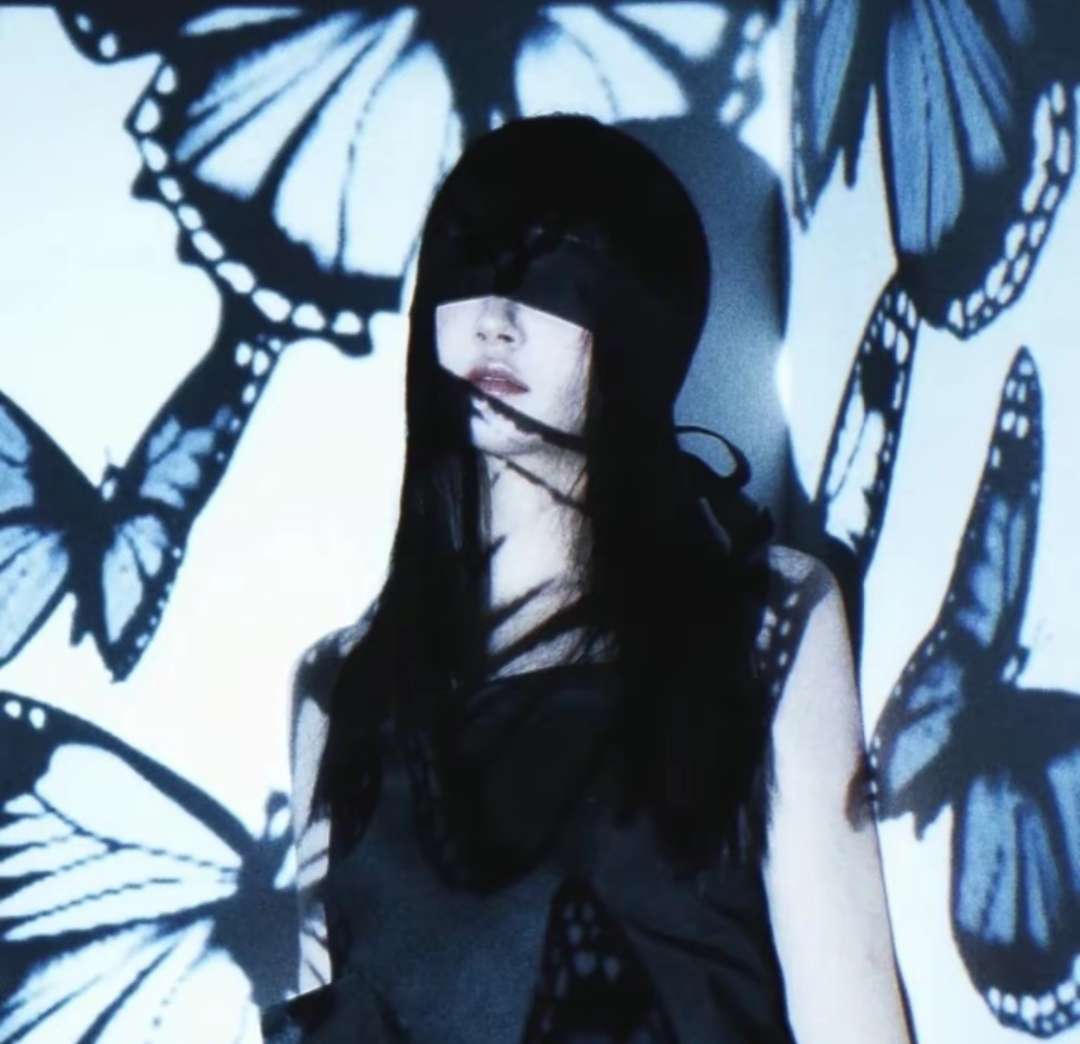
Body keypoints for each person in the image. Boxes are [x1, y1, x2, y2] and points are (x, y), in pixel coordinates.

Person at [261, 115, 911, 1044]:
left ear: (641, 317)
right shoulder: (339, 685)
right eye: (469, 265)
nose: (496, 318)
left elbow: (855, 1020)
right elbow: (329, 1000)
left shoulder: (763, 617)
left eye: (557, 272)